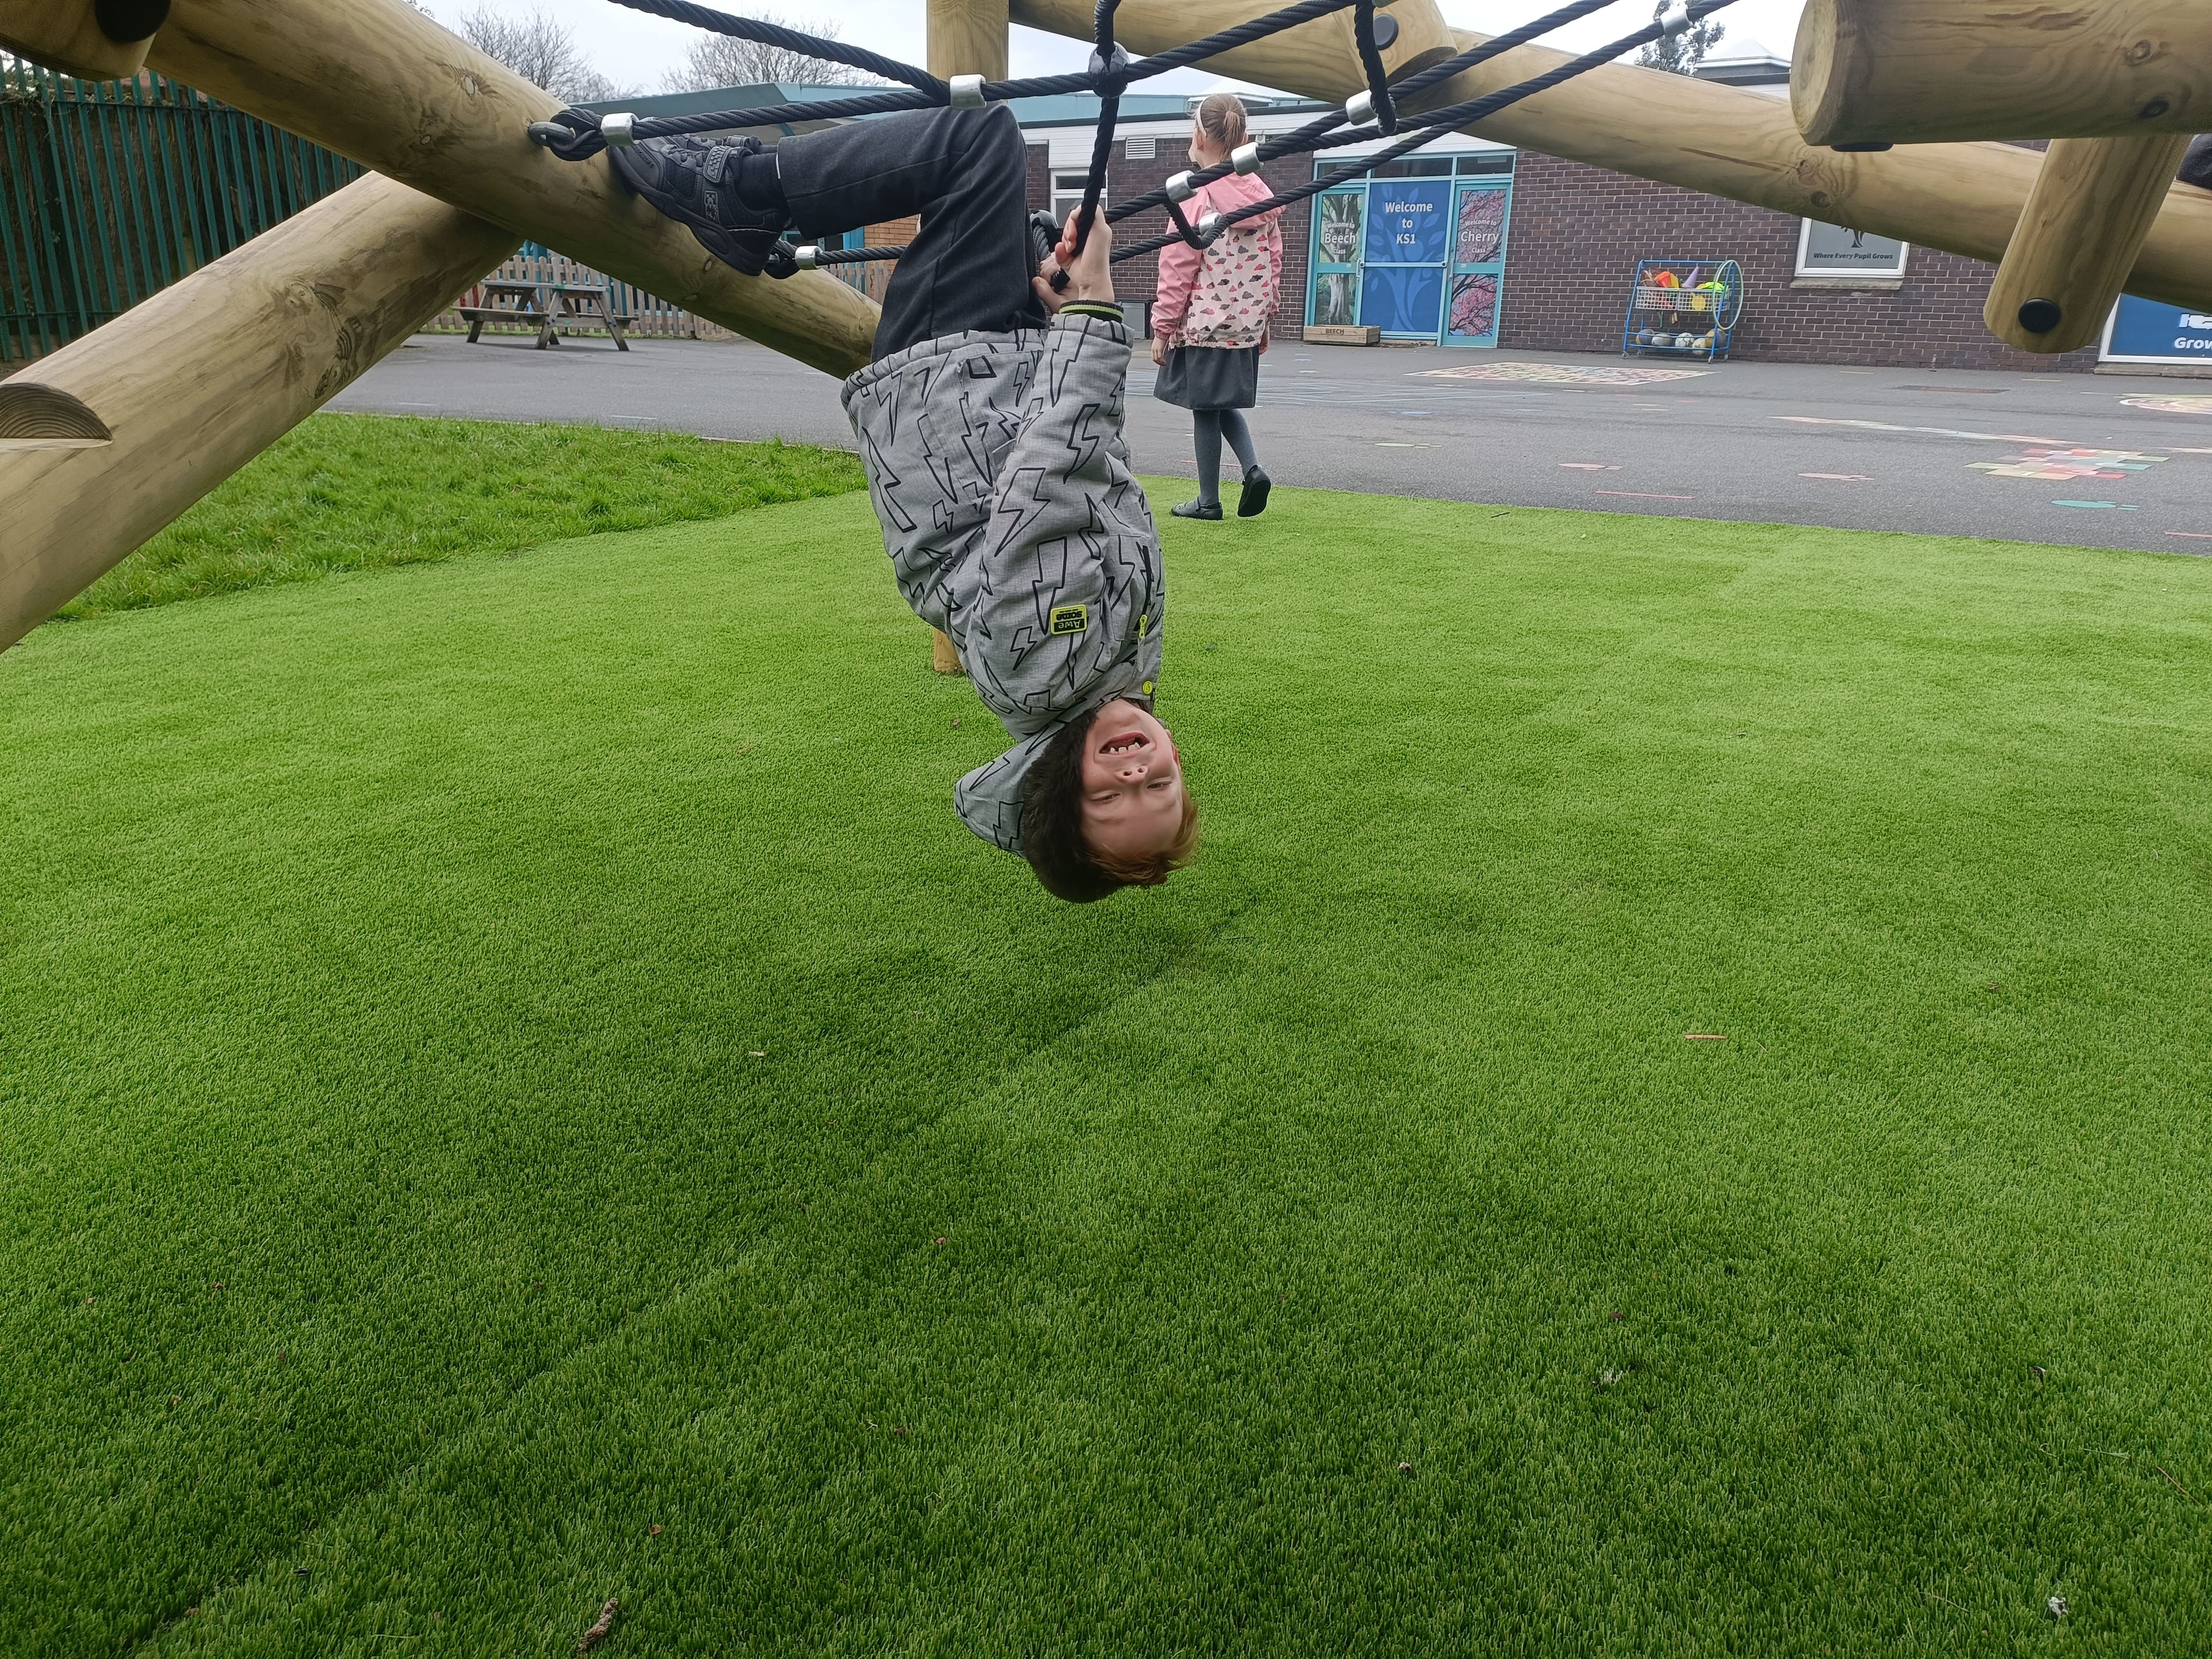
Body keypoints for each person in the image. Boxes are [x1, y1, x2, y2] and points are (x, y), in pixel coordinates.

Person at [605, 104, 1196, 902]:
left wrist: (1095, 318)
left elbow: (1050, 479)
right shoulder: (1115, 677)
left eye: (1107, 795)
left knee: (976, 144)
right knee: (1023, 218)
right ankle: (756, 196)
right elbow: (1103, 492)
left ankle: (743, 192)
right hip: (1006, 386)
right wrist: (1063, 331)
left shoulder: (1046, 669)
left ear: (1053, 779)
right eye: (1154, 789)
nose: (1134, 771)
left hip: (949, 390)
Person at [1150, 92, 1284, 521]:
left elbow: (1177, 265)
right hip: (1245, 323)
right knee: (1221, 403)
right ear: (1243, 137)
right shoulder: (1261, 197)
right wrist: (1266, 317)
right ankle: (1252, 469)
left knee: (1205, 408)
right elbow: (1273, 261)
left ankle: (1209, 501)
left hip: (1203, 324)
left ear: (1200, 135)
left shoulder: (1194, 196)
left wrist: (1162, 326)